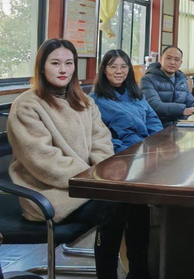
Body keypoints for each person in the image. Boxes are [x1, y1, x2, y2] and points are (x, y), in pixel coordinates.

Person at [7, 39, 127, 279]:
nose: (63, 69)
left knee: (137, 200)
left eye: (69, 63)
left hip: (86, 183)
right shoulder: (27, 105)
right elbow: (44, 160)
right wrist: (92, 178)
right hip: (47, 192)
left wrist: (100, 174)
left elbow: (102, 141)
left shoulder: (84, 101)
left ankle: (140, 271)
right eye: (55, 63)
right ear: (42, 67)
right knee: (117, 205)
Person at [90, 49, 161, 278]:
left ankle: (139, 272)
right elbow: (101, 138)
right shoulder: (95, 101)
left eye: (123, 66)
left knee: (140, 220)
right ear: (104, 70)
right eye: (113, 66)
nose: (118, 71)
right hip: (117, 165)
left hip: (143, 160)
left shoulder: (136, 94)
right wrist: (130, 153)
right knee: (114, 220)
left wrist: (156, 144)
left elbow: (153, 120)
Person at [140, 45, 194, 127]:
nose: (172, 62)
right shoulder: (147, 79)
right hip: (158, 125)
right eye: (168, 58)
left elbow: (190, 103)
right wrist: (182, 110)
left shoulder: (181, 80)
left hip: (181, 124)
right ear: (161, 59)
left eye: (176, 59)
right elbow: (155, 105)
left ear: (180, 63)